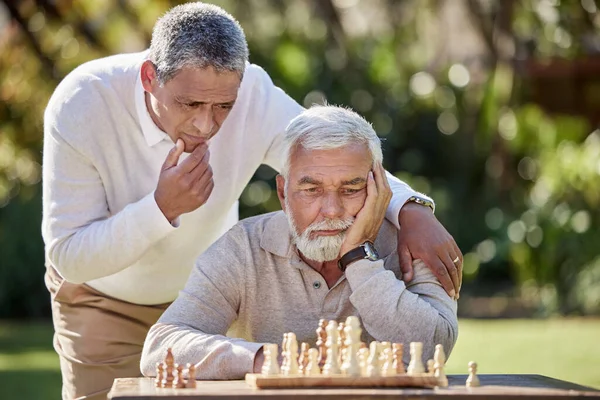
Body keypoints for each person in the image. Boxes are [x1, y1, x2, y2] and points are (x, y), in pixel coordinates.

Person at [42, 2, 461, 399]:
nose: (207, 124)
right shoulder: (83, 102)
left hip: (213, 293)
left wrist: (410, 210)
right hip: (105, 298)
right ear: (150, 76)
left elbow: (328, 154)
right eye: (189, 104)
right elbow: (69, 256)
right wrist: (160, 209)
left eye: (224, 106)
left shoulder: (251, 92)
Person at [140, 105, 458, 379]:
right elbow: (161, 346)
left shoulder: (411, 242)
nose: (332, 210)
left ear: (379, 190)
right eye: (311, 190)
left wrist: (360, 257)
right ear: (283, 193)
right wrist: (265, 358)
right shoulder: (243, 249)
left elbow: (434, 351)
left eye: (350, 189)